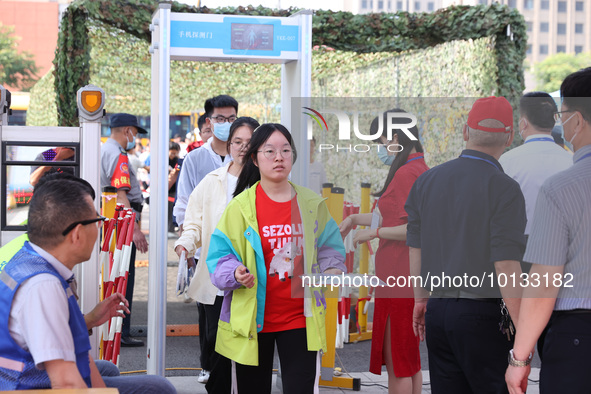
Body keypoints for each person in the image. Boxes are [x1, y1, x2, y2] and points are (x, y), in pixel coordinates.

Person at [0, 177, 176, 393]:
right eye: (97, 221)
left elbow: (47, 334)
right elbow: (66, 384)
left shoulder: (29, 257)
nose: (100, 228)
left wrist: (91, 319)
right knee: (157, 387)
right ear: (76, 234)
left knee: (108, 369)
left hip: (21, 375)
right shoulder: (43, 286)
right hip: (28, 385)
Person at [206, 123, 347, 394]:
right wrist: (235, 272)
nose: (279, 157)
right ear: (255, 158)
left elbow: (330, 246)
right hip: (252, 322)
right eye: (269, 151)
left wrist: (332, 268)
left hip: (300, 319)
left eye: (285, 150)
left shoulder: (311, 203)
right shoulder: (240, 207)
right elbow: (220, 255)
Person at [406, 97, 527, 394]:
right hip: (483, 316)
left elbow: (416, 247)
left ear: (464, 132)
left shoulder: (427, 181)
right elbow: (506, 263)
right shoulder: (504, 188)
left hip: (438, 310)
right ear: (510, 137)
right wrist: (523, 328)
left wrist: (421, 301)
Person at [505, 67, 591, 394]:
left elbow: (543, 285)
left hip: (578, 335)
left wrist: (519, 358)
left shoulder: (563, 187)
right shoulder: (563, 166)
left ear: (578, 120)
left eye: (565, 114)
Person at [340, 109, 426, 394]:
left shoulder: (406, 174)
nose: (380, 148)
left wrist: (373, 233)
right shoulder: (417, 169)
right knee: (408, 362)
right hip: (404, 280)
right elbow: (388, 217)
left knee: (398, 361)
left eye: (381, 140)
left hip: (399, 279)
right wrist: (354, 220)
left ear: (397, 138)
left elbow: (412, 229)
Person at [175, 117, 260, 393]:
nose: (242, 148)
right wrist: (185, 244)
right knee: (216, 342)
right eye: (237, 142)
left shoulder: (265, 182)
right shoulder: (212, 181)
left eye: (249, 143)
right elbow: (195, 223)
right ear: (228, 144)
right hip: (216, 276)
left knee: (248, 344)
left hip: (252, 277)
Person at [173, 94, 237, 383]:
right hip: (207, 253)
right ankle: (209, 369)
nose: (226, 124)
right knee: (210, 320)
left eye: (232, 118)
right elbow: (186, 205)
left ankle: (231, 375)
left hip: (241, 256)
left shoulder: (246, 159)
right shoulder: (196, 159)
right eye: (221, 119)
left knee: (237, 319)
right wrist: (187, 242)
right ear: (209, 122)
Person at [499, 92, 572, 273]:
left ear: (523, 123)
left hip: (520, 254)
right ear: (555, 120)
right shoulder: (572, 162)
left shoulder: (506, 162)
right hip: (564, 252)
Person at [100, 113, 148, 347]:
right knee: (123, 278)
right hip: (121, 223)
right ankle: (122, 331)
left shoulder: (101, 149)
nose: (135, 138)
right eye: (135, 133)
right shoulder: (118, 154)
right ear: (127, 130)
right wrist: (135, 228)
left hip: (108, 221)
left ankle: (114, 329)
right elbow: (121, 194)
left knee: (112, 275)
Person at [168, 141, 181, 235]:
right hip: (166, 189)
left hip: (174, 189)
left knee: (172, 209)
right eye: (172, 152)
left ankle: (171, 228)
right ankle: (167, 228)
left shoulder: (178, 161)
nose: (174, 155)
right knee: (166, 209)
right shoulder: (163, 160)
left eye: (175, 153)